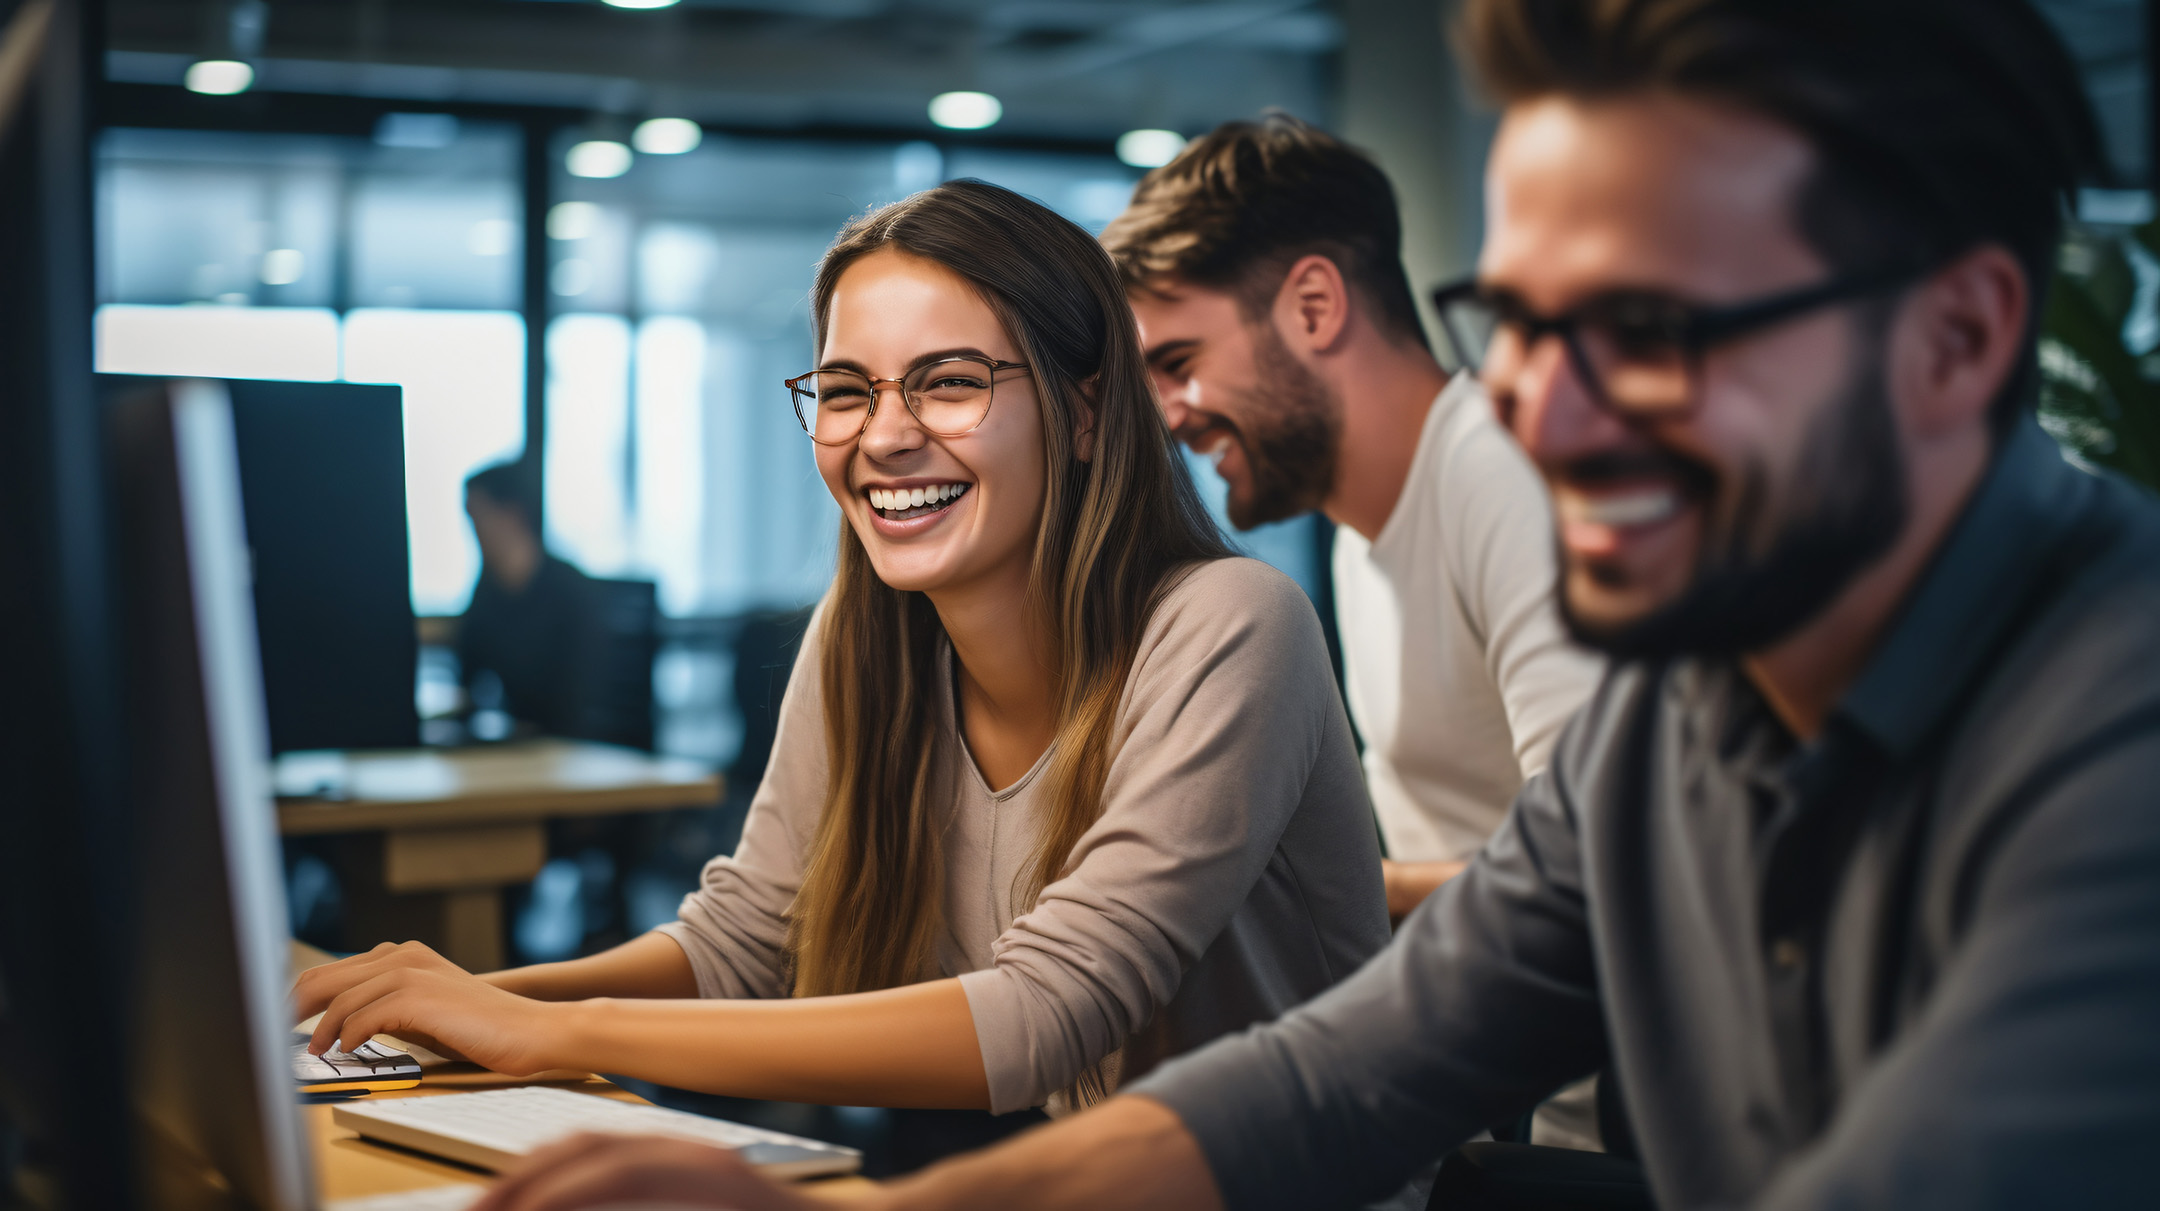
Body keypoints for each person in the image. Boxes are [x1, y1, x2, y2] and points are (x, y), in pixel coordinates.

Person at [461, 0, 2160, 1208]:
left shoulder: (2118, 721)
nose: (1547, 420)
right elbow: (1340, 1077)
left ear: (1957, 337)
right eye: (1528, 325)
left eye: (1648, 331)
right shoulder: (1678, 707)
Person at [295, 180, 1390, 1123]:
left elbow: (1042, 1017)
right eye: (847, 389)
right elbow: (744, 942)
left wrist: (553, 1027)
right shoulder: (872, 636)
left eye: (951, 380)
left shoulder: (1233, 624)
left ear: (1090, 409)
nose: (884, 432)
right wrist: (458, 1002)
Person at [1102, 113, 1606, 1152]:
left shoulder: (1503, 477)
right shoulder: (1355, 534)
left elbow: (1610, 868)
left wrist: (1323, 891)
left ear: (1316, 304)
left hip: (1596, 1132)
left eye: (1181, 359)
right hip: (1485, 1101)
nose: (1172, 415)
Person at [455, 461, 597, 739]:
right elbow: (468, 680)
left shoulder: (571, 591)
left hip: (570, 749)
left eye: (479, 516)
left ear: (512, 515)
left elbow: (578, 699)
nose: (472, 531)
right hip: (515, 744)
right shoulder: (486, 591)